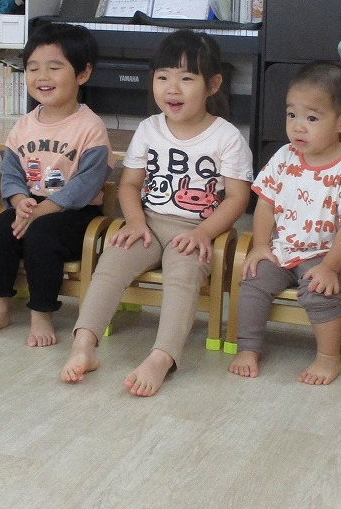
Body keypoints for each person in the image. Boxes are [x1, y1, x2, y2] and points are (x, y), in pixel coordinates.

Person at [62, 30, 252, 396]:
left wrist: (203, 233)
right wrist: (135, 221)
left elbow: (236, 198)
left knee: (182, 277)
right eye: (163, 77)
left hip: (196, 228)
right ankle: (84, 344)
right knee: (111, 262)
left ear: (213, 85)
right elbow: (130, 185)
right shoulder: (149, 129)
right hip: (148, 222)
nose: (172, 89)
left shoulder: (227, 137)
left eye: (187, 79)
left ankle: (161, 357)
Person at [228, 61, 341, 384]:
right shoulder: (284, 157)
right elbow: (265, 203)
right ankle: (248, 348)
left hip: (329, 255)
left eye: (312, 118)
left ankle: (328, 358)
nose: (298, 127)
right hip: (284, 249)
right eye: (291, 114)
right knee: (253, 278)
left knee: (318, 292)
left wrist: (330, 267)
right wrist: (261, 246)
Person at [0, 22, 112, 346]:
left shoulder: (90, 127)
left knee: (42, 237)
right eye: (33, 68)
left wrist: (43, 210)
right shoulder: (23, 125)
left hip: (75, 213)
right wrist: (19, 201)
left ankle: (41, 315)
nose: (42, 76)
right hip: (30, 205)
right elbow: (11, 171)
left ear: (83, 73)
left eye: (54, 67)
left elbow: (87, 183)